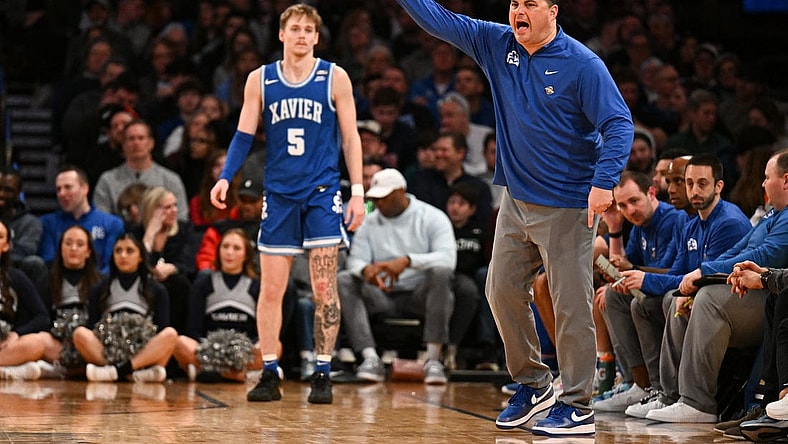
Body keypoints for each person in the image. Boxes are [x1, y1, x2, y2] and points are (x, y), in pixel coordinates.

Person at [395, 0, 633, 435]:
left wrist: (605, 180)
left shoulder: (583, 64)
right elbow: (439, 21)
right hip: (516, 200)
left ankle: (578, 405)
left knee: (570, 305)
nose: (518, 11)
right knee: (500, 290)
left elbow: (618, 123)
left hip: (568, 203)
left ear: (553, 11)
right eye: (514, 3)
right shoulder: (496, 42)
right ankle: (534, 382)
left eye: (530, 4)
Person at [209, 4, 365, 405]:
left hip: (321, 193)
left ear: (316, 37)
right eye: (294, 28)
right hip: (278, 195)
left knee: (323, 287)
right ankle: (269, 370)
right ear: (281, 34)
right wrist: (226, 176)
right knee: (272, 289)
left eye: (308, 29)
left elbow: (351, 138)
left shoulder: (335, 77)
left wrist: (359, 191)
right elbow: (244, 135)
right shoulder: (260, 79)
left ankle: (323, 370)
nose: (301, 35)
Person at [644, 149, 788, 423]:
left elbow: (766, 256)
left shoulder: (768, 218)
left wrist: (704, 274)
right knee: (678, 297)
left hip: (772, 298)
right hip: (755, 293)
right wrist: (703, 275)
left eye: (767, 178)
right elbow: (738, 250)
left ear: (786, 181)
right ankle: (672, 395)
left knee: (708, 298)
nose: (762, 184)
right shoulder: (773, 215)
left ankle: (698, 403)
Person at [337, 169, 456, 383]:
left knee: (441, 273)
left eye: (384, 198)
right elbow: (355, 260)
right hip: (381, 294)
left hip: (419, 294)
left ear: (401, 191)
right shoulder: (369, 222)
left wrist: (408, 261)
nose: (379, 203)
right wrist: (366, 270)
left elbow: (448, 259)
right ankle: (370, 359)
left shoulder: (432, 217)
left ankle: (433, 360)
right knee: (345, 278)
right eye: (375, 199)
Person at [72, 234, 177, 383]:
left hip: (143, 351)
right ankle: (134, 374)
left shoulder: (156, 289)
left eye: (129, 251)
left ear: (141, 256)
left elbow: (161, 329)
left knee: (170, 334)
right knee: (80, 333)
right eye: (118, 251)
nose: (123, 255)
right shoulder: (101, 288)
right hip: (109, 351)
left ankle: (118, 372)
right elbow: (93, 327)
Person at [174, 229, 262, 382]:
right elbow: (193, 329)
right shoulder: (204, 282)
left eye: (236, 248)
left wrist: (241, 351)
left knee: (274, 346)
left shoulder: (256, 285)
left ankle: (207, 372)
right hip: (209, 350)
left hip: (244, 351)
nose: (229, 252)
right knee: (180, 342)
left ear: (246, 255)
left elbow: (260, 332)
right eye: (225, 246)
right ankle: (239, 375)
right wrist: (211, 349)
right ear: (218, 250)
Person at [38, 225, 103, 377]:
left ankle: (61, 370)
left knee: (82, 335)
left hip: (89, 345)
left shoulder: (101, 283)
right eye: (68, 243)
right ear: (60, 248)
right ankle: (70, 369)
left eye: (80, 244)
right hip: (58, 346)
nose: (73, 248)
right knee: (38, 339)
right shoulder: (47, 280)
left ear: (88, 252)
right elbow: (41, 318)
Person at [93, 118, 190, 221]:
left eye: (141, 138)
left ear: (151, 143)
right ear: (123, 144)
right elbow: (101, 220)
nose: (136, 143)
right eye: (131, 138)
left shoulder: (171, 180)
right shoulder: (107, 180)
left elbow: (181, 219)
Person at [38, 166, 125, 274]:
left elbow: (111, 264)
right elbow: (49, 261)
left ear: (85, 189)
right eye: (58, 189)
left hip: (100, 285)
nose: (62, 194)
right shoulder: (48, 223)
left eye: (68, 187)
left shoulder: (112, 224)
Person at [135, 186, 196, 334]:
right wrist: (150, 235)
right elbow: (136, 264)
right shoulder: (136, 232)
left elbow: (190, 263)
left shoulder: (184, 229)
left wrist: (172, 268)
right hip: (145, 286)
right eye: (167, 207)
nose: (174, 210)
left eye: (175, 205)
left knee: (178, 283)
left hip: (177, 287)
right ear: (152, 210)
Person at [0, 219, 50, 380]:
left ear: (7, 245)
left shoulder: (15, 277)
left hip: (3, 345)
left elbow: (42, 317)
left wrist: (16, 333)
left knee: (36, 342)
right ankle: (12, 371)